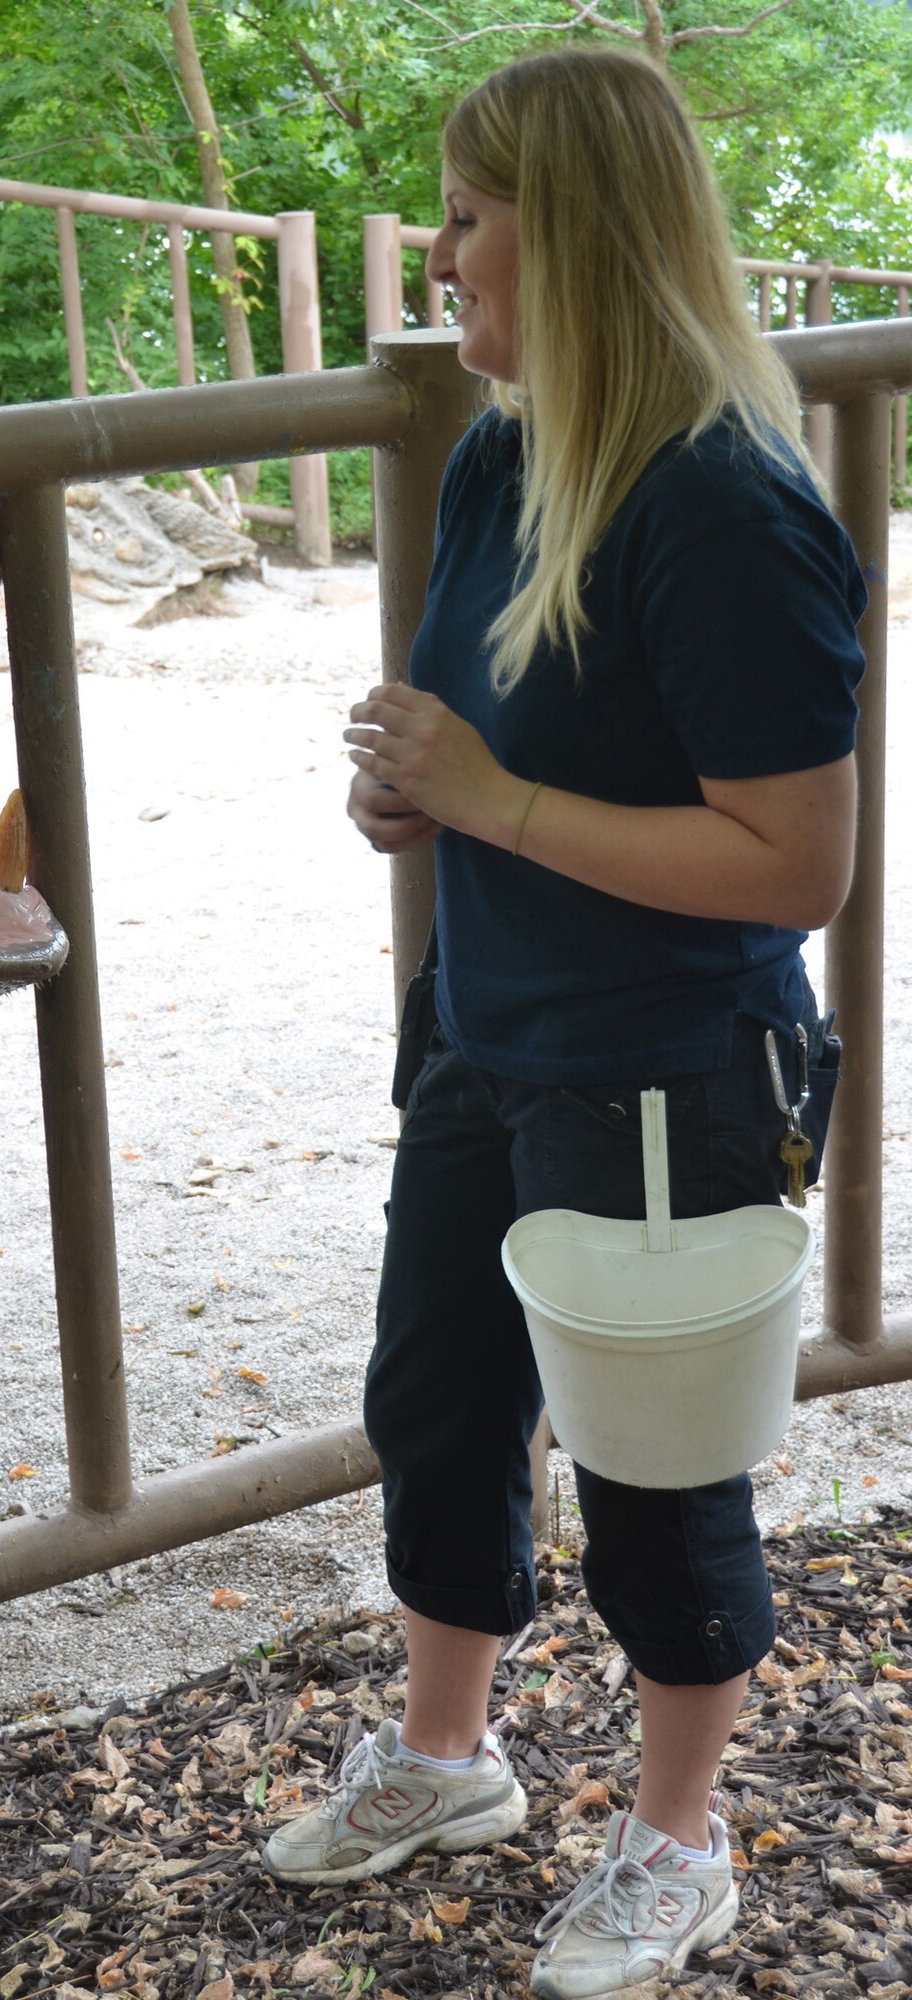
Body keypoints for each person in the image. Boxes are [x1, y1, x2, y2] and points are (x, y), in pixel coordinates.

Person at [258, 43, 867, 2000]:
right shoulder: (508, 451)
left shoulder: (723, 507)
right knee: (435, 1404)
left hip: (673, 1071)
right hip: (487, 1027)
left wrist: (494, 799)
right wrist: (415, 791)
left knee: (659, 1481)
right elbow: (498, 732)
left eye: (463, 216)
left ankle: (675, 1844)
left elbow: (795, 865)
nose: (437, 257)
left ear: (576, 237)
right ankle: (446, 1760)